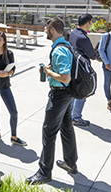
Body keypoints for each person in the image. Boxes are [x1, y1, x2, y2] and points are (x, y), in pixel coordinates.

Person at [27, 17, 78, 185]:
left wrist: (48, 73)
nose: (44, 31)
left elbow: (65, 78)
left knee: (48, 133)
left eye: (46, 28)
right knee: (66, 128)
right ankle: (70, 163)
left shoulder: (59, 50)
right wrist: (51, 68)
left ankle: (44, 172)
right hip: (66, 95)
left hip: (59, 95)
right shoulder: (65, 45)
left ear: (52, 30)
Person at [0, 31, 27, 147]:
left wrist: (8, 74)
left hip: (5, 87)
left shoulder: (9, 54)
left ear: (4, 42)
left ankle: (14, 136)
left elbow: (13, 69)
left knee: (13, 112)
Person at [69, 13, 96, 127]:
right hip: (81, 69)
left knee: (73, 92)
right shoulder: (83, 37)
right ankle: (76, 117)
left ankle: (70, 115)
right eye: (91, 22)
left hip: (72, 66)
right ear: (87, 23)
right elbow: (92, 55)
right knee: (82, 93)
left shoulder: (73, 33)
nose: (91, 24)